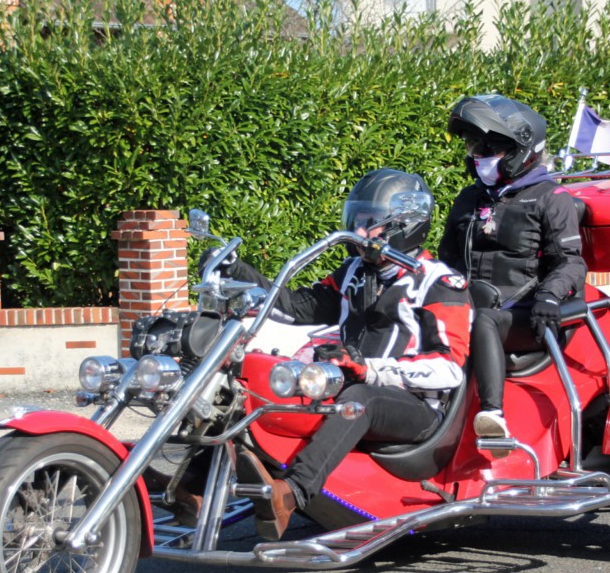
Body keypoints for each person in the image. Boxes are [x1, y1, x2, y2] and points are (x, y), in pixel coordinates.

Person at [157, 168, 473, 540]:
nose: (358, 231)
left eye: (370, 222)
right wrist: (236, 270)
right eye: (356, 220)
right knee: (243, 384)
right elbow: (297, 307)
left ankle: (291, 494)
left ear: (403, 225)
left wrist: (369, 369)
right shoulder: (354, 272)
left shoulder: (440, 283)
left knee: (361, 400)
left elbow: (449, 369)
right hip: (348, 384)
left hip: (416, 409)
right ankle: (191, 490)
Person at [437, 94, 586, 452]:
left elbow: (571, 262)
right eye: (475, 146)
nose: (479, 155)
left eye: (490, 148)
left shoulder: (551, 198)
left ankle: (493, 417)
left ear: (522, 149)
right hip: (468, 309)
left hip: (524, 316)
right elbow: (447, 260)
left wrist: (549, 295)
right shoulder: (469, 199)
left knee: (484, 320)